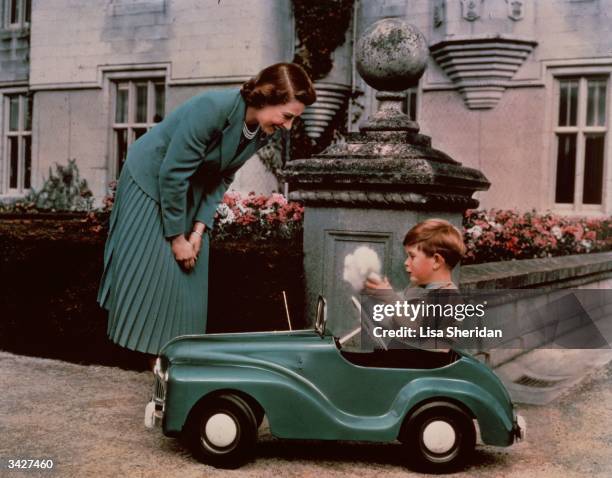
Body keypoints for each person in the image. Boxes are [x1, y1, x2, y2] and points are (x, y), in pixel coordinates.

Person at [97, 63, 316, 363]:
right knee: (160, 275)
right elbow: (172, 174)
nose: (288, 126)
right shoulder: (212, 108)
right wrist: (176, 238)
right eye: (287, 116)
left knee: (190, 278)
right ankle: (157, 368)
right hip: (150, 181)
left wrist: (199, 230)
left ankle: (177, 366)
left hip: (189, 188)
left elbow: (222, 178)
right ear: (266, 97)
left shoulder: (262, 131)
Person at [364, 218, 465, 349]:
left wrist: (390, 299)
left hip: (423, 366)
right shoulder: (416, 289)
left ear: (436, 261)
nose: (406, 262)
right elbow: (397, 324)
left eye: (412, 256)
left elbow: (418, 333)